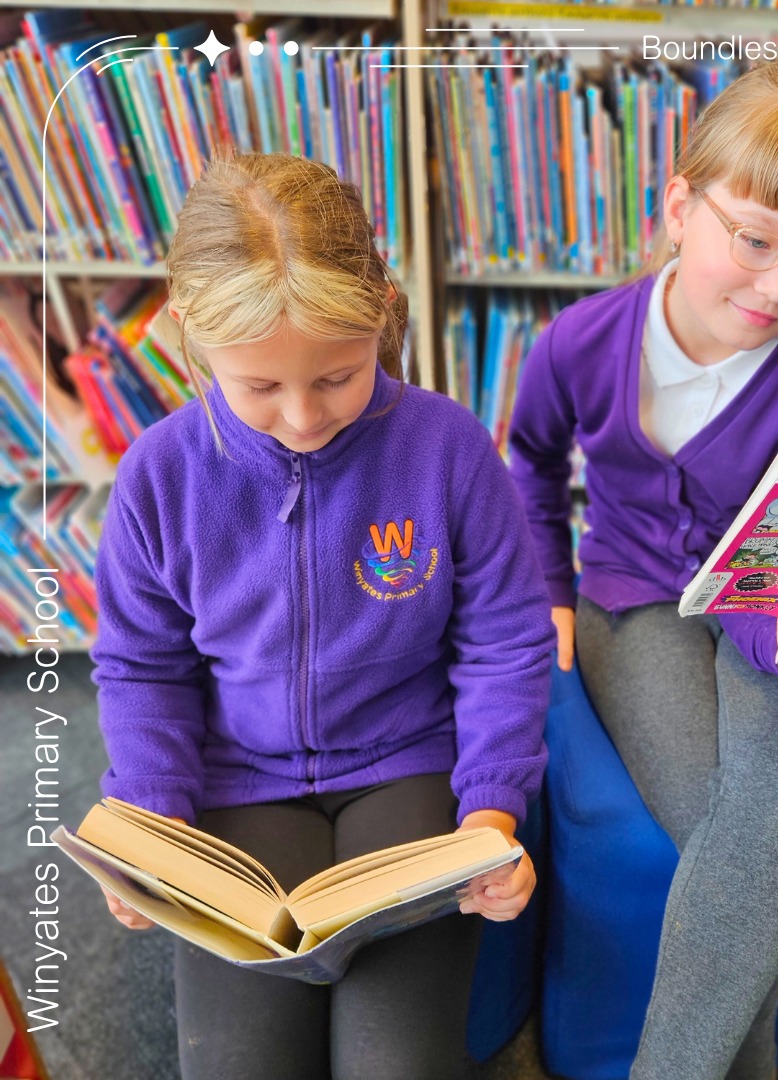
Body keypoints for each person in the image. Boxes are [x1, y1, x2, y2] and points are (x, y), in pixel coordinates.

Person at [91, 152, 554, 1080]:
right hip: (241, 779)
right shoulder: (158, 474)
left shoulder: (448, 448)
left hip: (410, 767)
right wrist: (152, 825)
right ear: (190, 331)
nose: (303, 417)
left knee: (399, 1067)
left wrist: (493, 811)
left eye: (338, 378)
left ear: (383, 307)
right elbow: (142, 668)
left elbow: (505, 641)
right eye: (259, 388)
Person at [509, 62, 778, 1080]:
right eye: (755, 238)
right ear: (679, 206)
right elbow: (531, 465)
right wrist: (550, 588)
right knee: (759, 839)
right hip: (631, 596)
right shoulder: (579, 342)